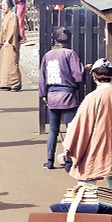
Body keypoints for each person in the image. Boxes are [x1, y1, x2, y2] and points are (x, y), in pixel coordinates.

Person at [39, 29, 86, 169]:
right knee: (70, 129)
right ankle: (70, 161)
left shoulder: (47, 55)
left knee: (53, 130)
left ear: (55, 40)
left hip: (52, 96)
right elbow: (78, 75)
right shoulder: (70, 53)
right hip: (68, 96)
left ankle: (49, 161)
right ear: (69, 40)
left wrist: (43, 94)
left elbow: (42, 77)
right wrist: (86, 69)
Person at [0, 1, 24, 91]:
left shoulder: (13, 16)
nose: (3, 7)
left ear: (9, 6)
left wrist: (8, 40)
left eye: (4, 5)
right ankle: (6, 83)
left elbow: (13, 29)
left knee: (12, 63)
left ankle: (16, 83)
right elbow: (2, 30)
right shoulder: (6, 16)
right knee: (6, 63)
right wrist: (0, 43)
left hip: (12, 42)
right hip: (6, 43)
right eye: (2, 5)